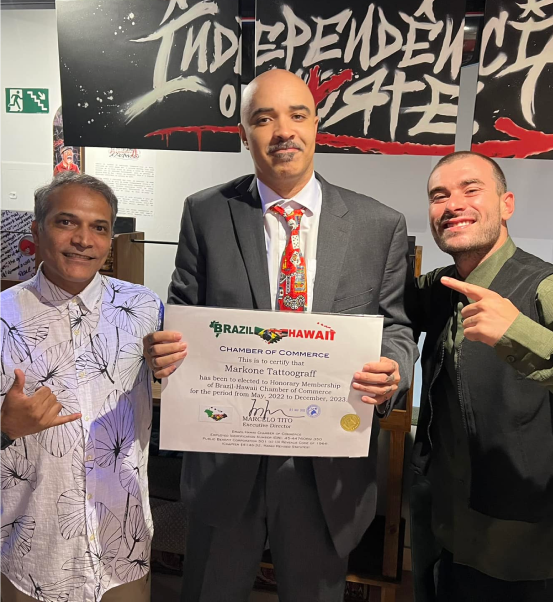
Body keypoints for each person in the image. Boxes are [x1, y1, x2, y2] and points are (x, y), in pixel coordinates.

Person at [144, 69, 417, 602]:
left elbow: (396, 328)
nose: (283, 130)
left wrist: (394, 370)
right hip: (226, 457)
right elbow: (183, 313)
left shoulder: (378, 224)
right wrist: (166, 347)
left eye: (297, 115)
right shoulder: (206, 212)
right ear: (244, 134)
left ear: (316, 125)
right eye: (264, 118)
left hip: (325, 465)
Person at [0, 172, 161, 602]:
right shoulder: (2, 318)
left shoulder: (144, 307)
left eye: (99, 227)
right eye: (66, 222)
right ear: (37, 230)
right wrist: (5, 428)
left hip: (122, 547)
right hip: (32, 555)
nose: (83, 240)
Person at [410, 151, 553, 602]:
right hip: (441, 528)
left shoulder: (543, 286)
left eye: (470, 190)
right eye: (439, 196)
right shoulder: (437, 288)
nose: (453, 204)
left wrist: (518, 332)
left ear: (506, 204)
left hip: (518, 549)